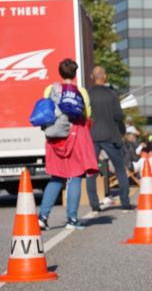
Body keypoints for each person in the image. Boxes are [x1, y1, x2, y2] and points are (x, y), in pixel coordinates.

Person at [38, 58, 98, 230]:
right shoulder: (81, 91)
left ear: (60, 72)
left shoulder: (50, 89)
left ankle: (42, 217)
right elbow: (87, 114)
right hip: (75, 136)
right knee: (75, 177)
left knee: (56, 177)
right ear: (75, 73)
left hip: (55, 137)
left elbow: (46, 111)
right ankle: (72, 219)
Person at [85, 66, 133, 212]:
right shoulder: (112, 94)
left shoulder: (87, 94)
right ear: (105, 77)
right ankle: (125, 202)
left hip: (92, 136)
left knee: (91, 172)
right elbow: (118, 115)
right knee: (120, 169)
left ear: (92, 77)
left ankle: (94, 205)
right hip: (111, 136)